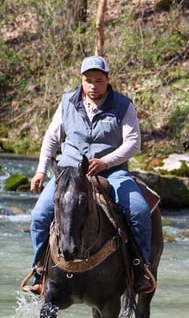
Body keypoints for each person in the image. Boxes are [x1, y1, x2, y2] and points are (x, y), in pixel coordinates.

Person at [24, 54, 153, 294]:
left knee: (139, 211)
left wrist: (106, 161)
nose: (94, 86)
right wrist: (41, 170)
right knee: (40, 216)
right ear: (81, 80)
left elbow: (133, 143)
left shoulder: (123, 106)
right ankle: (40, 271)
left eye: (99, 80)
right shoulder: (67, 103)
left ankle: (139, 267)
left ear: (107, 80)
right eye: (88, 80)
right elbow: (52, 138)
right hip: (70, 172)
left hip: (112, 171)